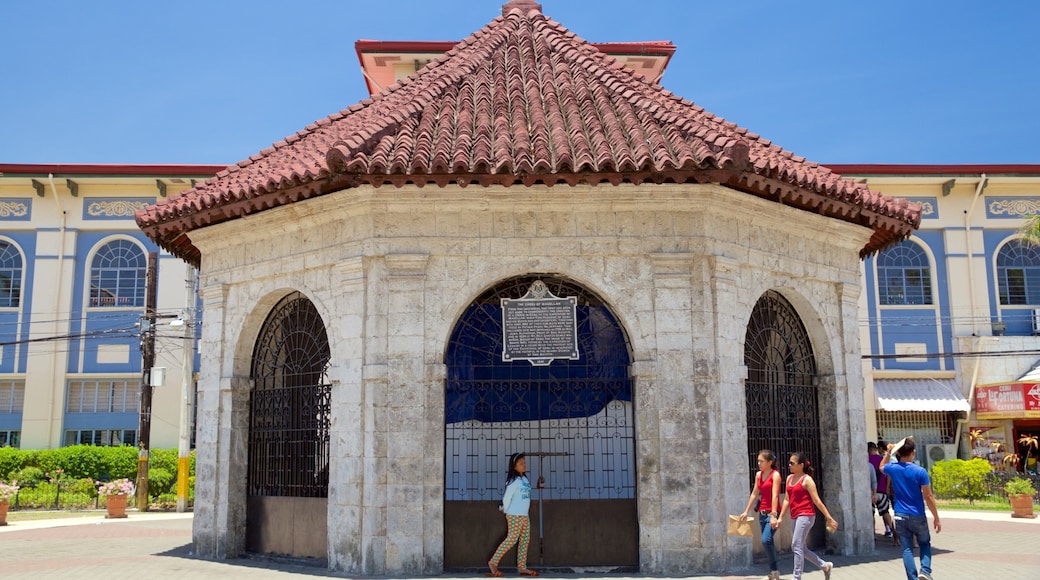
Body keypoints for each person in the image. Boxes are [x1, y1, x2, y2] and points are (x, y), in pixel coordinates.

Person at [881, 437, 941, 580]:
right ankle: (925, 570)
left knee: (906, 548)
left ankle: (912, 578)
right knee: (924, 543)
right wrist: (936, 518)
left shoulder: (893, 469)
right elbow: (928, 496)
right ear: (914, 452)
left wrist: (889, 452)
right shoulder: (920, 471)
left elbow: (882, 467)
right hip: (917, 514)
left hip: (900, 513)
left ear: (899, 453)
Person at [777, 452, 838, 580]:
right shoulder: (789, 478)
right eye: (789, 462)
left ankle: (796, 577)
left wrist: (829, 517)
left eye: (792, 463)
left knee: (796, 545)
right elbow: (787, 500)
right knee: (802, 548)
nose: (789, 465)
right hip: (794, 516)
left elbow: (817, 500)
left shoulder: (807, 480)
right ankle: (825, 566)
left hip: (806, 515)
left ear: (801, 465)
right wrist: (781, 517)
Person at [488, 453, 538, 577]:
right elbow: (507, 497)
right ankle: (493, 562)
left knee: (525, 540)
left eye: (524, 463)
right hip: (514, 515)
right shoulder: (513, 481)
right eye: (521, 464)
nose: (524, 465)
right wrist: (504, 509)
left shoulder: (524, 480)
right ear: (514, 467)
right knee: (512, 539)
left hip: (524, 515)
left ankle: (522, 567)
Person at [739, 450, 782, 580]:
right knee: (768, 542)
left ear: (770, 462)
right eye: (758, 461)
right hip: (762, 513)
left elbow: (775, 495)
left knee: (766, 540)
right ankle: (773, 572)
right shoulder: (759, 475)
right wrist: (746, 511)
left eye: (761, 461)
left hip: (772, 513)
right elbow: (754, 493)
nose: (759, 463)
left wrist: (774, 515)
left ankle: (774, 570)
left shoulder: (775, 475)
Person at [868, 441, 896, 543]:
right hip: (882, 490)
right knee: (885, 513)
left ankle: (873, 535)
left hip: (871, 492)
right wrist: (887, 487)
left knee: (871, 514)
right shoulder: (882, 460)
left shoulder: (867, 461)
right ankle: (894, 533)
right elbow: (888, 475)